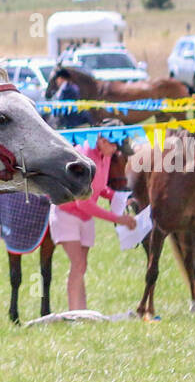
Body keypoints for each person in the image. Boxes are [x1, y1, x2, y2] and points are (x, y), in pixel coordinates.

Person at [49, 133, 137, 312]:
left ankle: (82, 311)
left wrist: (117, 196)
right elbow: (84, 203)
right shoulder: (85, 158)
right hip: (66, 214)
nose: (115, 151)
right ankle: (74, 312)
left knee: (82, 266)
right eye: (113, 146)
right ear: (102, 141)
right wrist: (119, 219)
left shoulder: (106, 155)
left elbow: (99, 187)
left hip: (84, 218)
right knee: (77, 263)